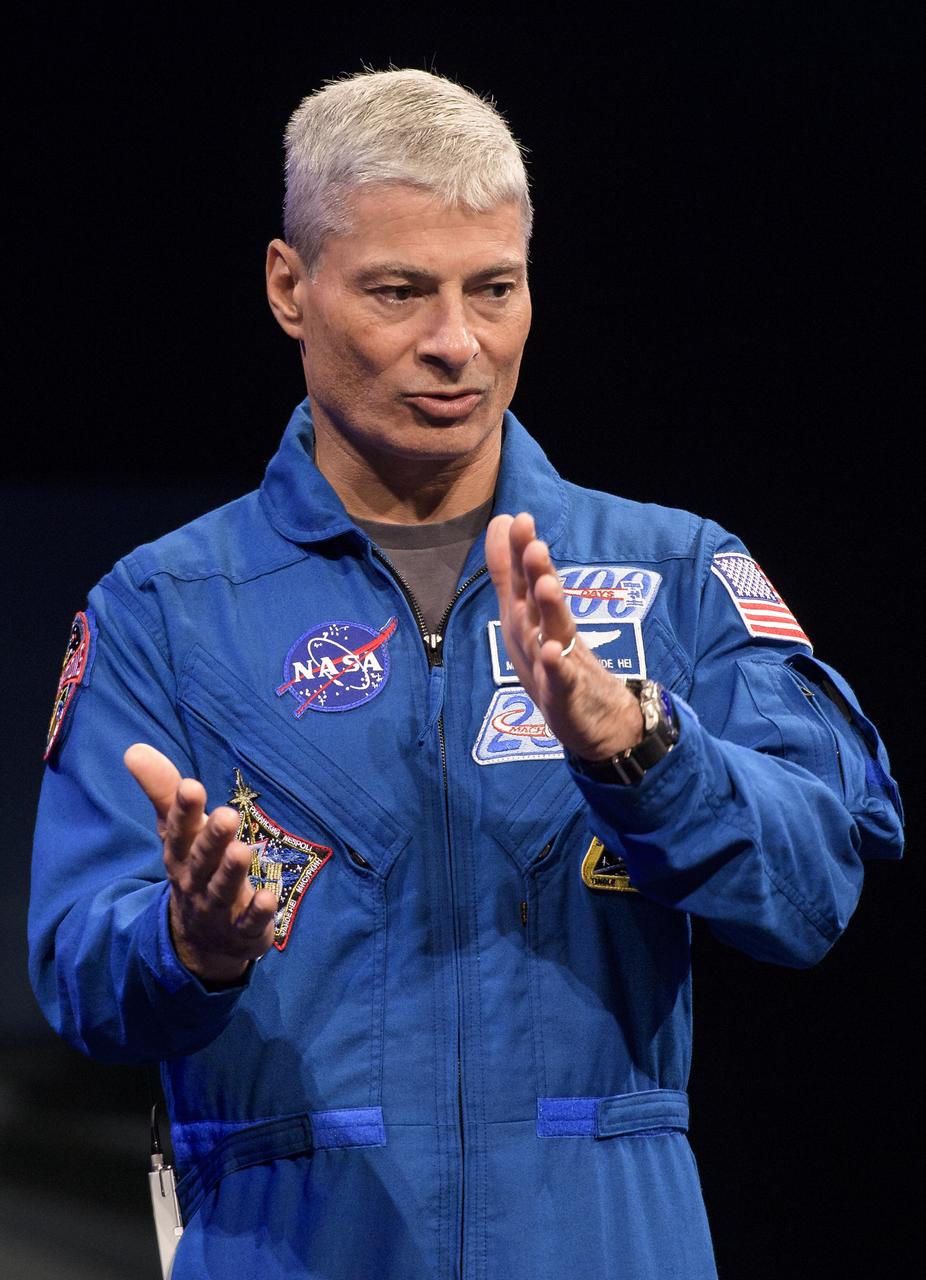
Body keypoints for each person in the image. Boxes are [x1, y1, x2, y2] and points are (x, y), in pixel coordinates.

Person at [29, 69, 903, 1280]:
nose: (458, 342)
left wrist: (641, 746)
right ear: (291, 285)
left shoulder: (674, 568)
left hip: (607, 1231)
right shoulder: (165, 608)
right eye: (399, 291)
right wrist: (192, 942)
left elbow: (814, 889)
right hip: (291, 1236)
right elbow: (80, 970)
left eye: (493, 288)